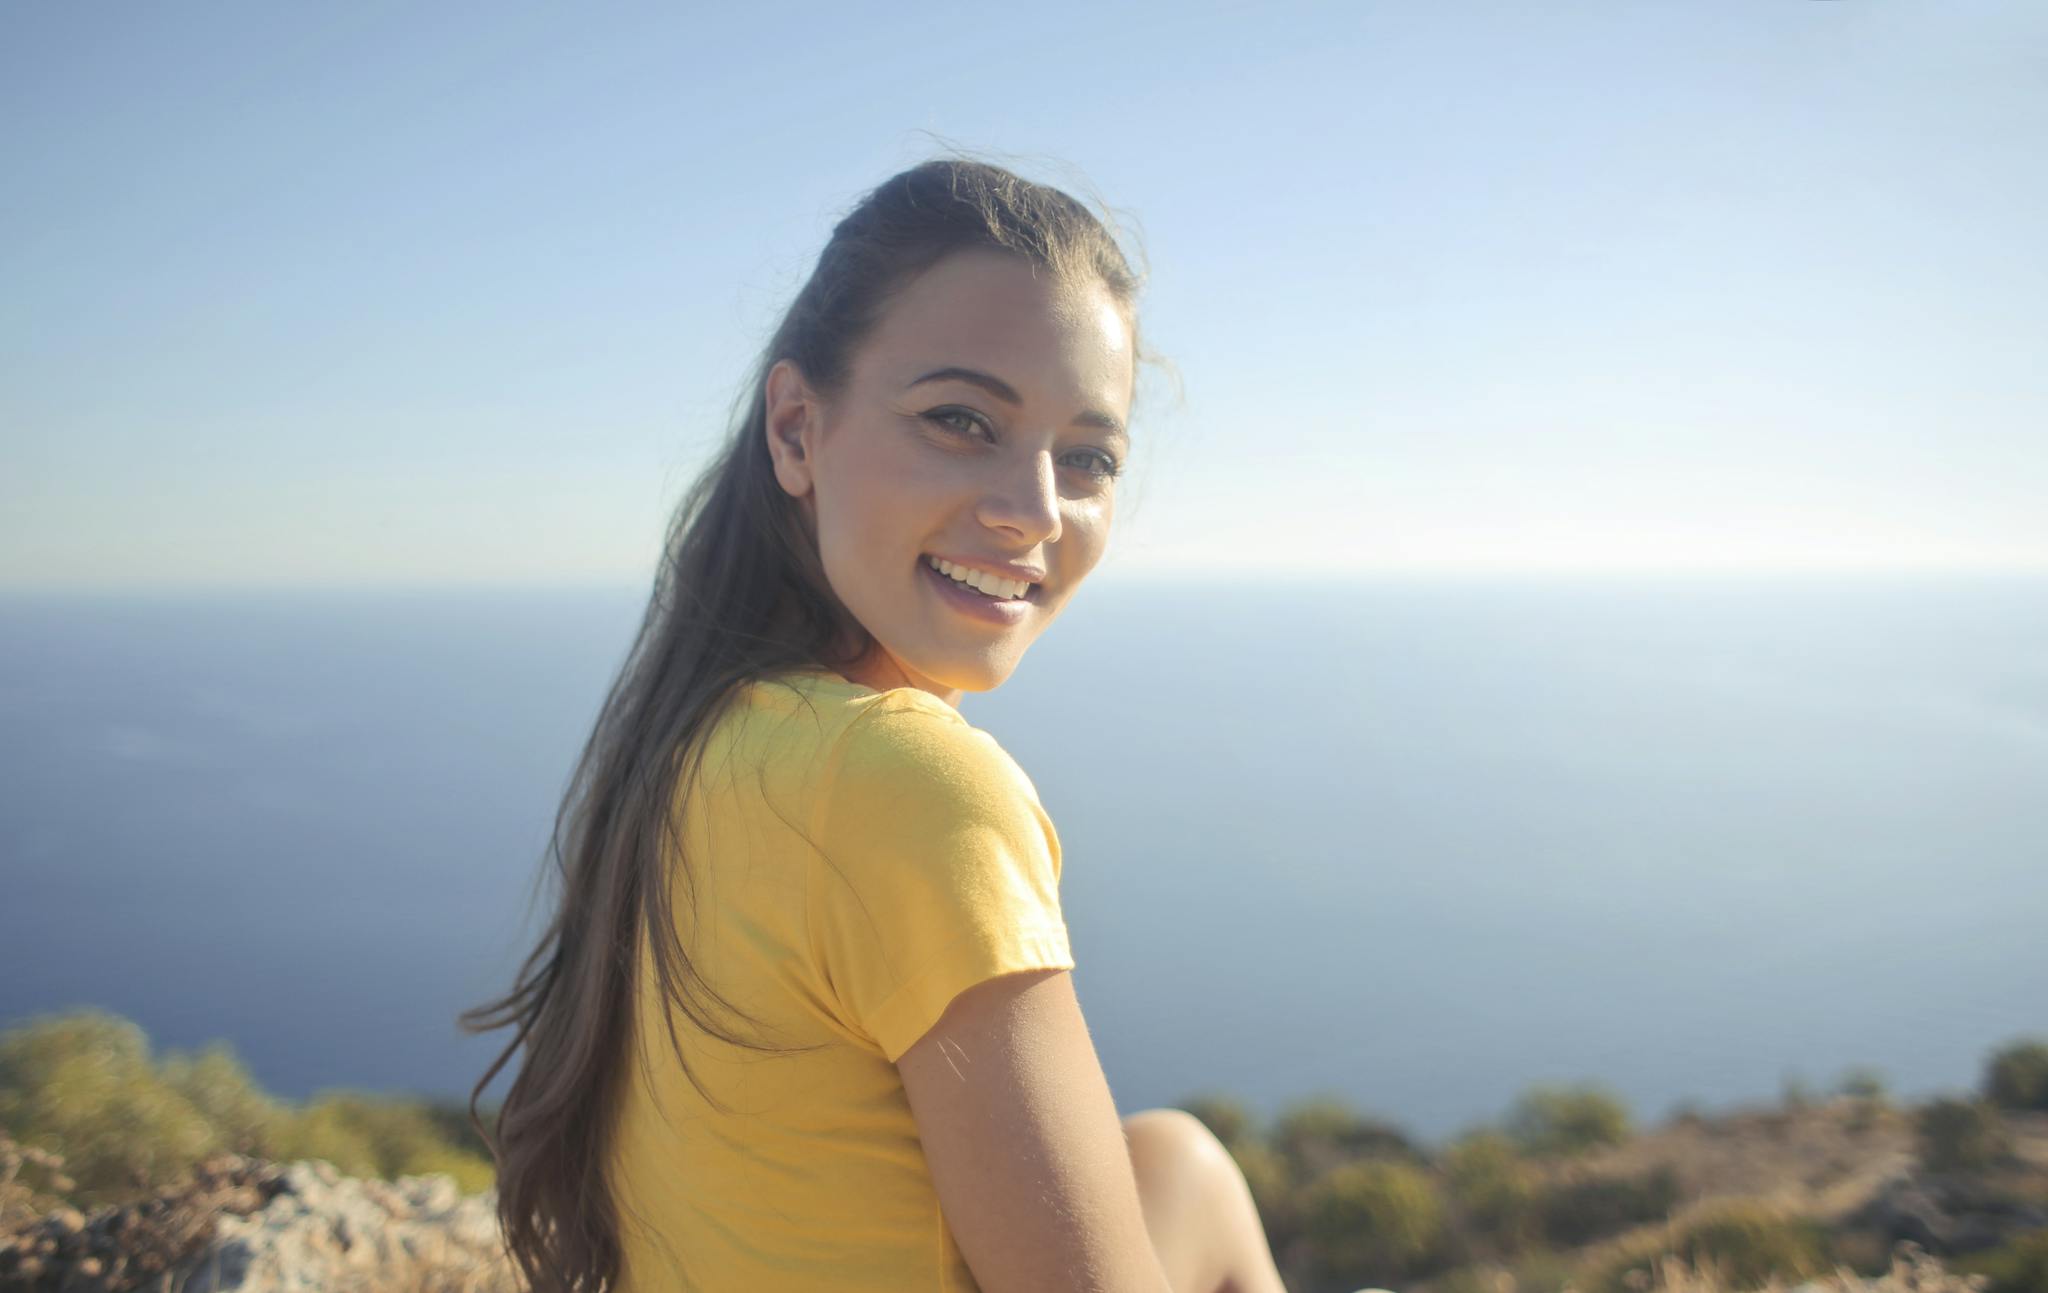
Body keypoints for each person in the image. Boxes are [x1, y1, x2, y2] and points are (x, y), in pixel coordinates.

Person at [460, 155, 1291, 1293]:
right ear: (797, 429)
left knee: (1179, 1164)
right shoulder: (908, 783)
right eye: (960, 420)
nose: (1033, 513)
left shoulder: (707, 735)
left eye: (1086, 458)